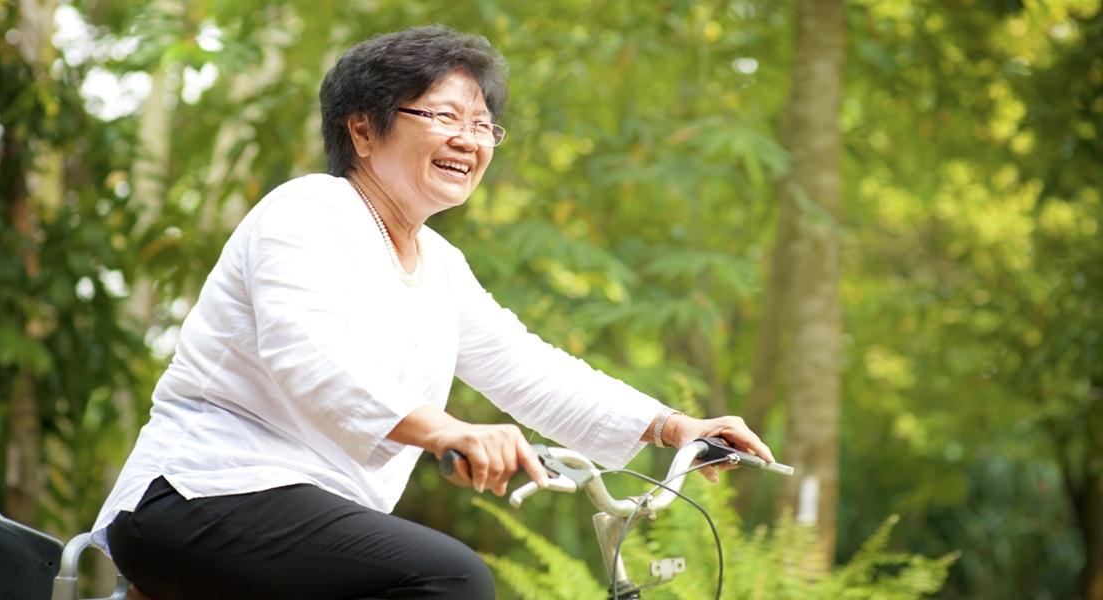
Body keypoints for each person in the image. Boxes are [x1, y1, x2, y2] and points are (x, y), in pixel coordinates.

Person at [91, 24, 776, 600]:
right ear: (362, 129)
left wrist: (673, 425)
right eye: (444, 117)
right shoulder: (309, 212)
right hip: (199, 495)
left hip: (302, 516)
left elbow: (526, 368)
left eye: (483, 125)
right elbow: (311, 360)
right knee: (451, 579)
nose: (470, 141)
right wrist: (447, 431)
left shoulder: (440, 266)